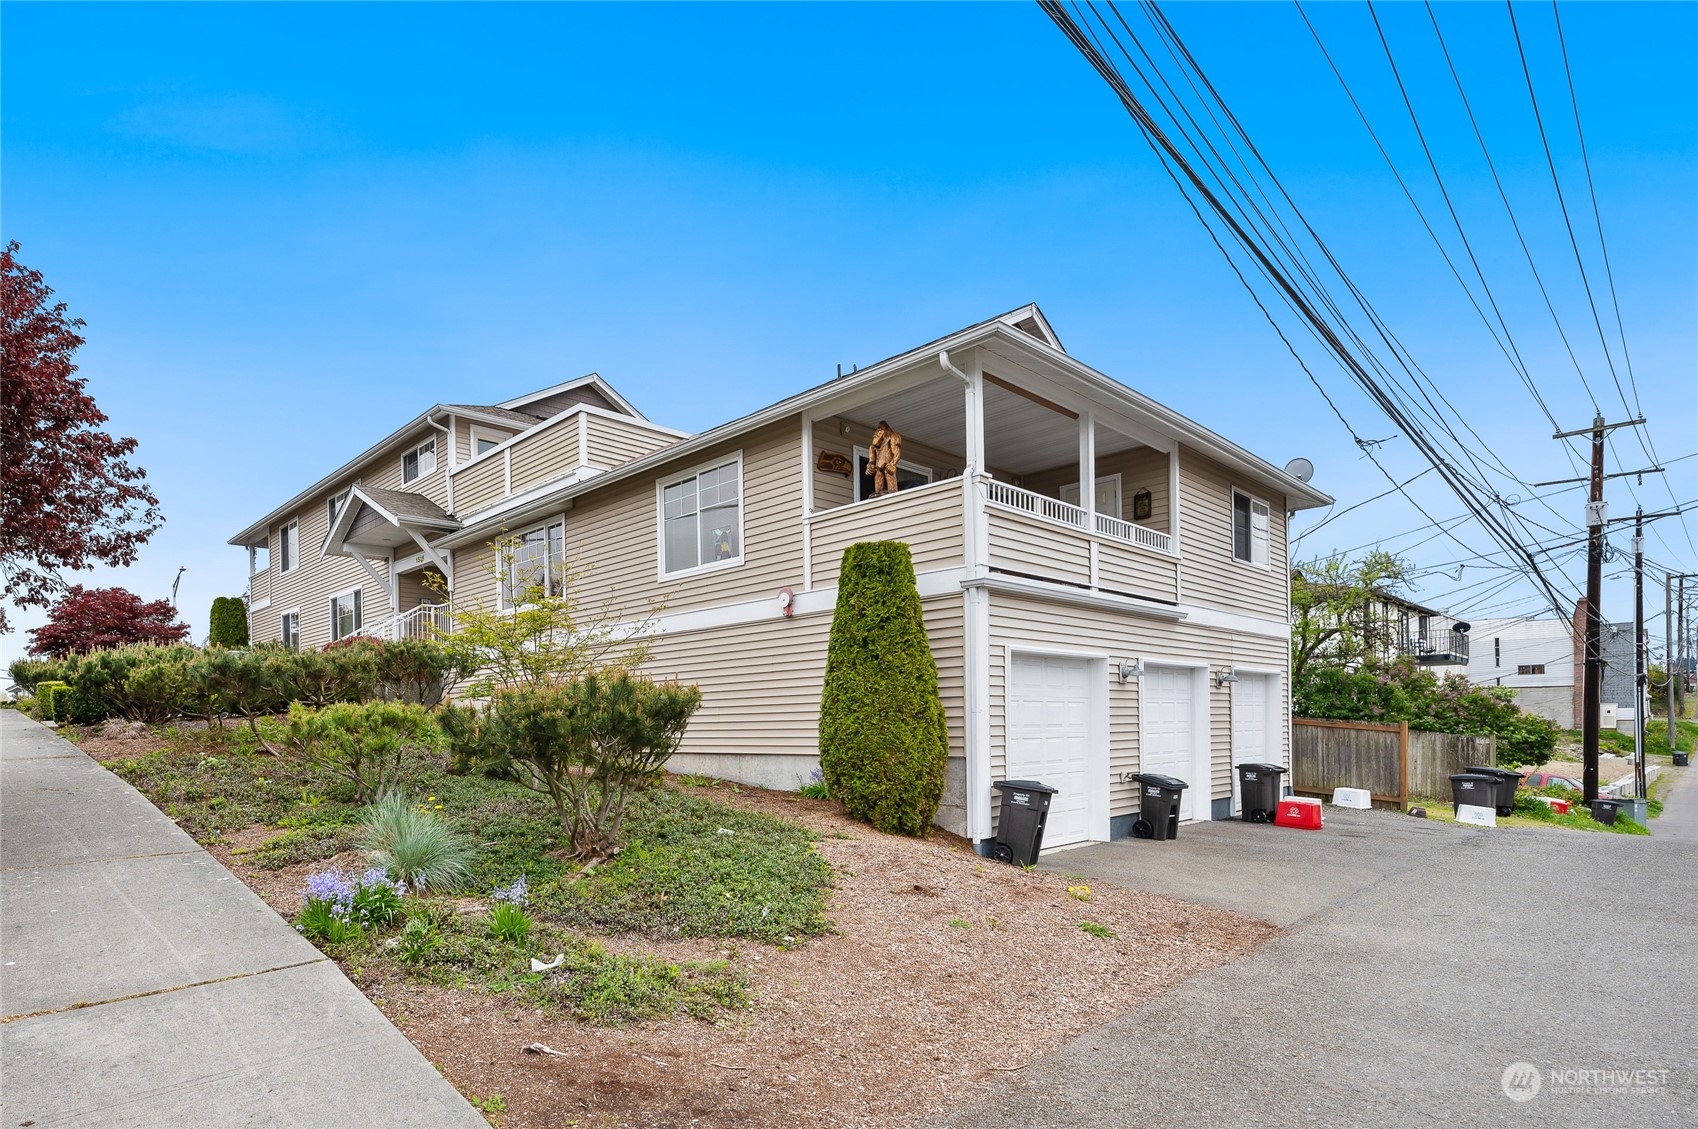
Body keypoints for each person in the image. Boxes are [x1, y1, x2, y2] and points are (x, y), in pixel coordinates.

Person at [868, 420, 902, 496]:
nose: (875, 434)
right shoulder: (873, 447)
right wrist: (870, 466)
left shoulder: (892, 436)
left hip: (888, 464)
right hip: (878, 467)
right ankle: (878, 492)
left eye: (879, 431)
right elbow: (871, 460)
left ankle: (892, 491)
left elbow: (896, 451)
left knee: (888, 473)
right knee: (878, 474)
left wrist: (893, 463)